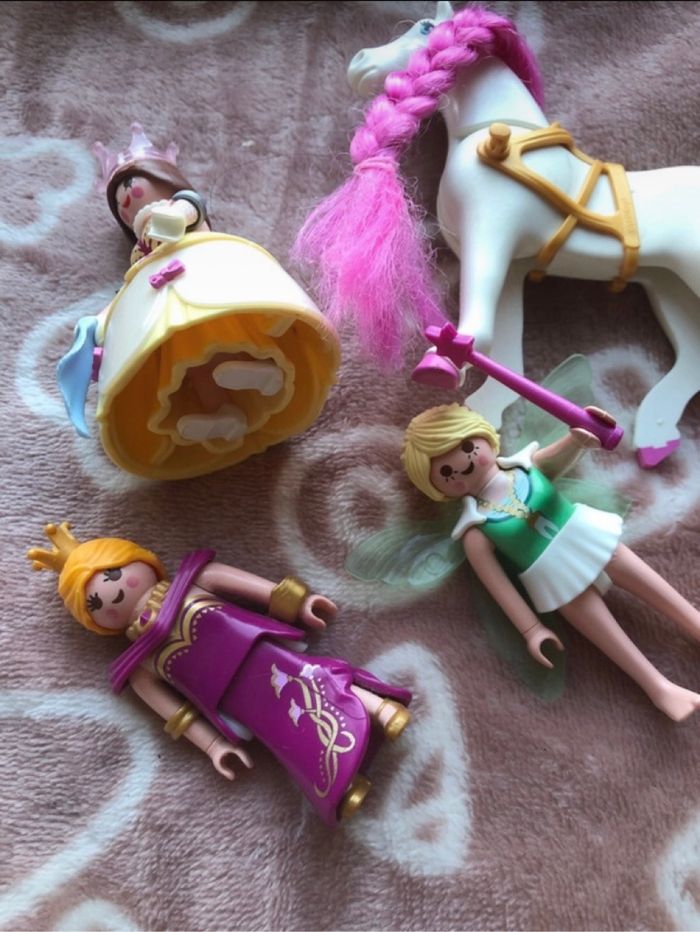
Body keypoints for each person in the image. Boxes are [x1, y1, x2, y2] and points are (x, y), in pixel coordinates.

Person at [28, 522, 411, 826]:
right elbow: (177, 714)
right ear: (95, 622)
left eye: (113, 576)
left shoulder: (196, 580)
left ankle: (379, 708)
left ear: (138, 560)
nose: (111, 595)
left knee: (317, 679)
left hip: (262, 656)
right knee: (288, 741)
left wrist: (300, 602)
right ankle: (341, 787)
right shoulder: (141, 668)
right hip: (239, 702)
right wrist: (213, 746)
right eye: (95, 603)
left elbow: (263, 591)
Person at [58, 123, 340, 480]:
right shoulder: (140, 253)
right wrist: (100, 323)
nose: (126, 202)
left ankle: (264, 370)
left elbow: (186, 214)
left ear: (162, 178)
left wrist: (172, 217)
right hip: (162, 311)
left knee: (228, 330)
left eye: (129, 187)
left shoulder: (182, 206)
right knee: (189, 365)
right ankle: (222, 415)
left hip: (206, 279)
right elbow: (129, 291)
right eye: (118, 204)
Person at [402, 403, 700, 721]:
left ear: (483, 436)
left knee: (637, 573)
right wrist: (532, 630)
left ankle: (694, 623)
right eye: (446, 473)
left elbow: (570, 447)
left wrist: (584, 431)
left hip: (586, 534)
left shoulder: (528, 467)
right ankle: (659, 688)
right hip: (553, 576)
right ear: (437, 488)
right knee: (590, 615)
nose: (463, 465)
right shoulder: (475, 530)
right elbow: (500, 589)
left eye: (466, 447)